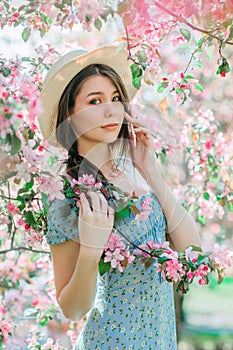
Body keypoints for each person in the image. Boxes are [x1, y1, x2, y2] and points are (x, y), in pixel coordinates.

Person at [38, 45, 201, 349]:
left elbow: (191, 248)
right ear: (70, 116)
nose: (111, 110)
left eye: (115, 99)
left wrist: (153, 172)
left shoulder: (136, 173)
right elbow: (73, 309)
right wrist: (90, 250)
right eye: (95, 101)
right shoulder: (67, 197)